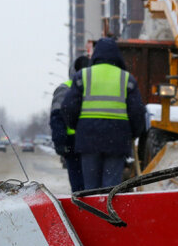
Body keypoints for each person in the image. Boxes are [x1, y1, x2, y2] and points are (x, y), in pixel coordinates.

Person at [61, 36, 148, 191]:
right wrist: (133, 133)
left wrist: (78, 127)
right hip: (117, 141)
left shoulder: (83, 76)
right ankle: (107, 214)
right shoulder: (126, 79)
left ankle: (92, 213)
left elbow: (68, 108)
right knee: (111, 188)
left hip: (88, 140)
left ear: (95, 54)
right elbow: (137, 112)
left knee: (90, 189)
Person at [50, 54, 90, 193]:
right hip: (85, 142)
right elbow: (57, 117)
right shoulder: (92, 87)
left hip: (73, 144)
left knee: (79, 186)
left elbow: (56, 117)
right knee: (91, 187)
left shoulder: (64, 88)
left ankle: (83, 210)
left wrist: (60, 143)